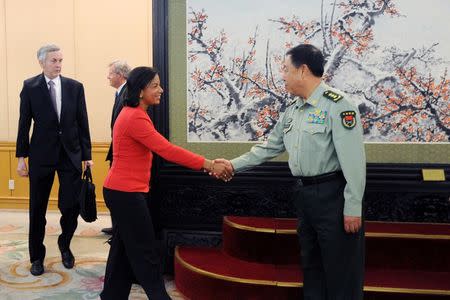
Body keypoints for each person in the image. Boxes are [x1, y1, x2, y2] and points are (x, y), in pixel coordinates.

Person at [215, 44, 366, 300]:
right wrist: (232, 165)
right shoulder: (293, 111)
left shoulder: (339, 106)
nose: (282, 75)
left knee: (342, 273)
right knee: (311, 267)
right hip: (305, 196)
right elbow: (268, 147)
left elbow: (354, 162)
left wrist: (353, 207)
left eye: (285, 69)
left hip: (334, 197)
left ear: (303, 70)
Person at [100, 66, 231, 299]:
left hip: (122, 191)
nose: (161, 89)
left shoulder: (133, 112)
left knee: (122, 250)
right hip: (125, 193)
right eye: (155, 85)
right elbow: (167, 151)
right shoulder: (135, 117)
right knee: (145, 253)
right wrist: (210, 164)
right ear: (140, 91)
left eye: (159, 84)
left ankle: (111, 295)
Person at [16, 44, 93, 276]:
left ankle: (65, 245)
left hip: (70, 155)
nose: (58, 64)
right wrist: (21, 157)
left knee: (70, 206)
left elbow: (83, 122)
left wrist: (87, 156)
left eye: (60, 60)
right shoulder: (30, 87)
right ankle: (36, 257)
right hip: (41, 156)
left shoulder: (75, 87)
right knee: (37, 208)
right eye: (53, 61)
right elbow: (24, 123)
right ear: (42, 63)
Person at [102, 60, 131, 236]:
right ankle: (116, 226)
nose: (108, 77)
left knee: (117, 190)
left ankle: (119, 227)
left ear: (120, 75)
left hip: (123, 152)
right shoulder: (121, 93)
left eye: (111, 73)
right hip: (117, 149)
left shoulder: (127, 94)